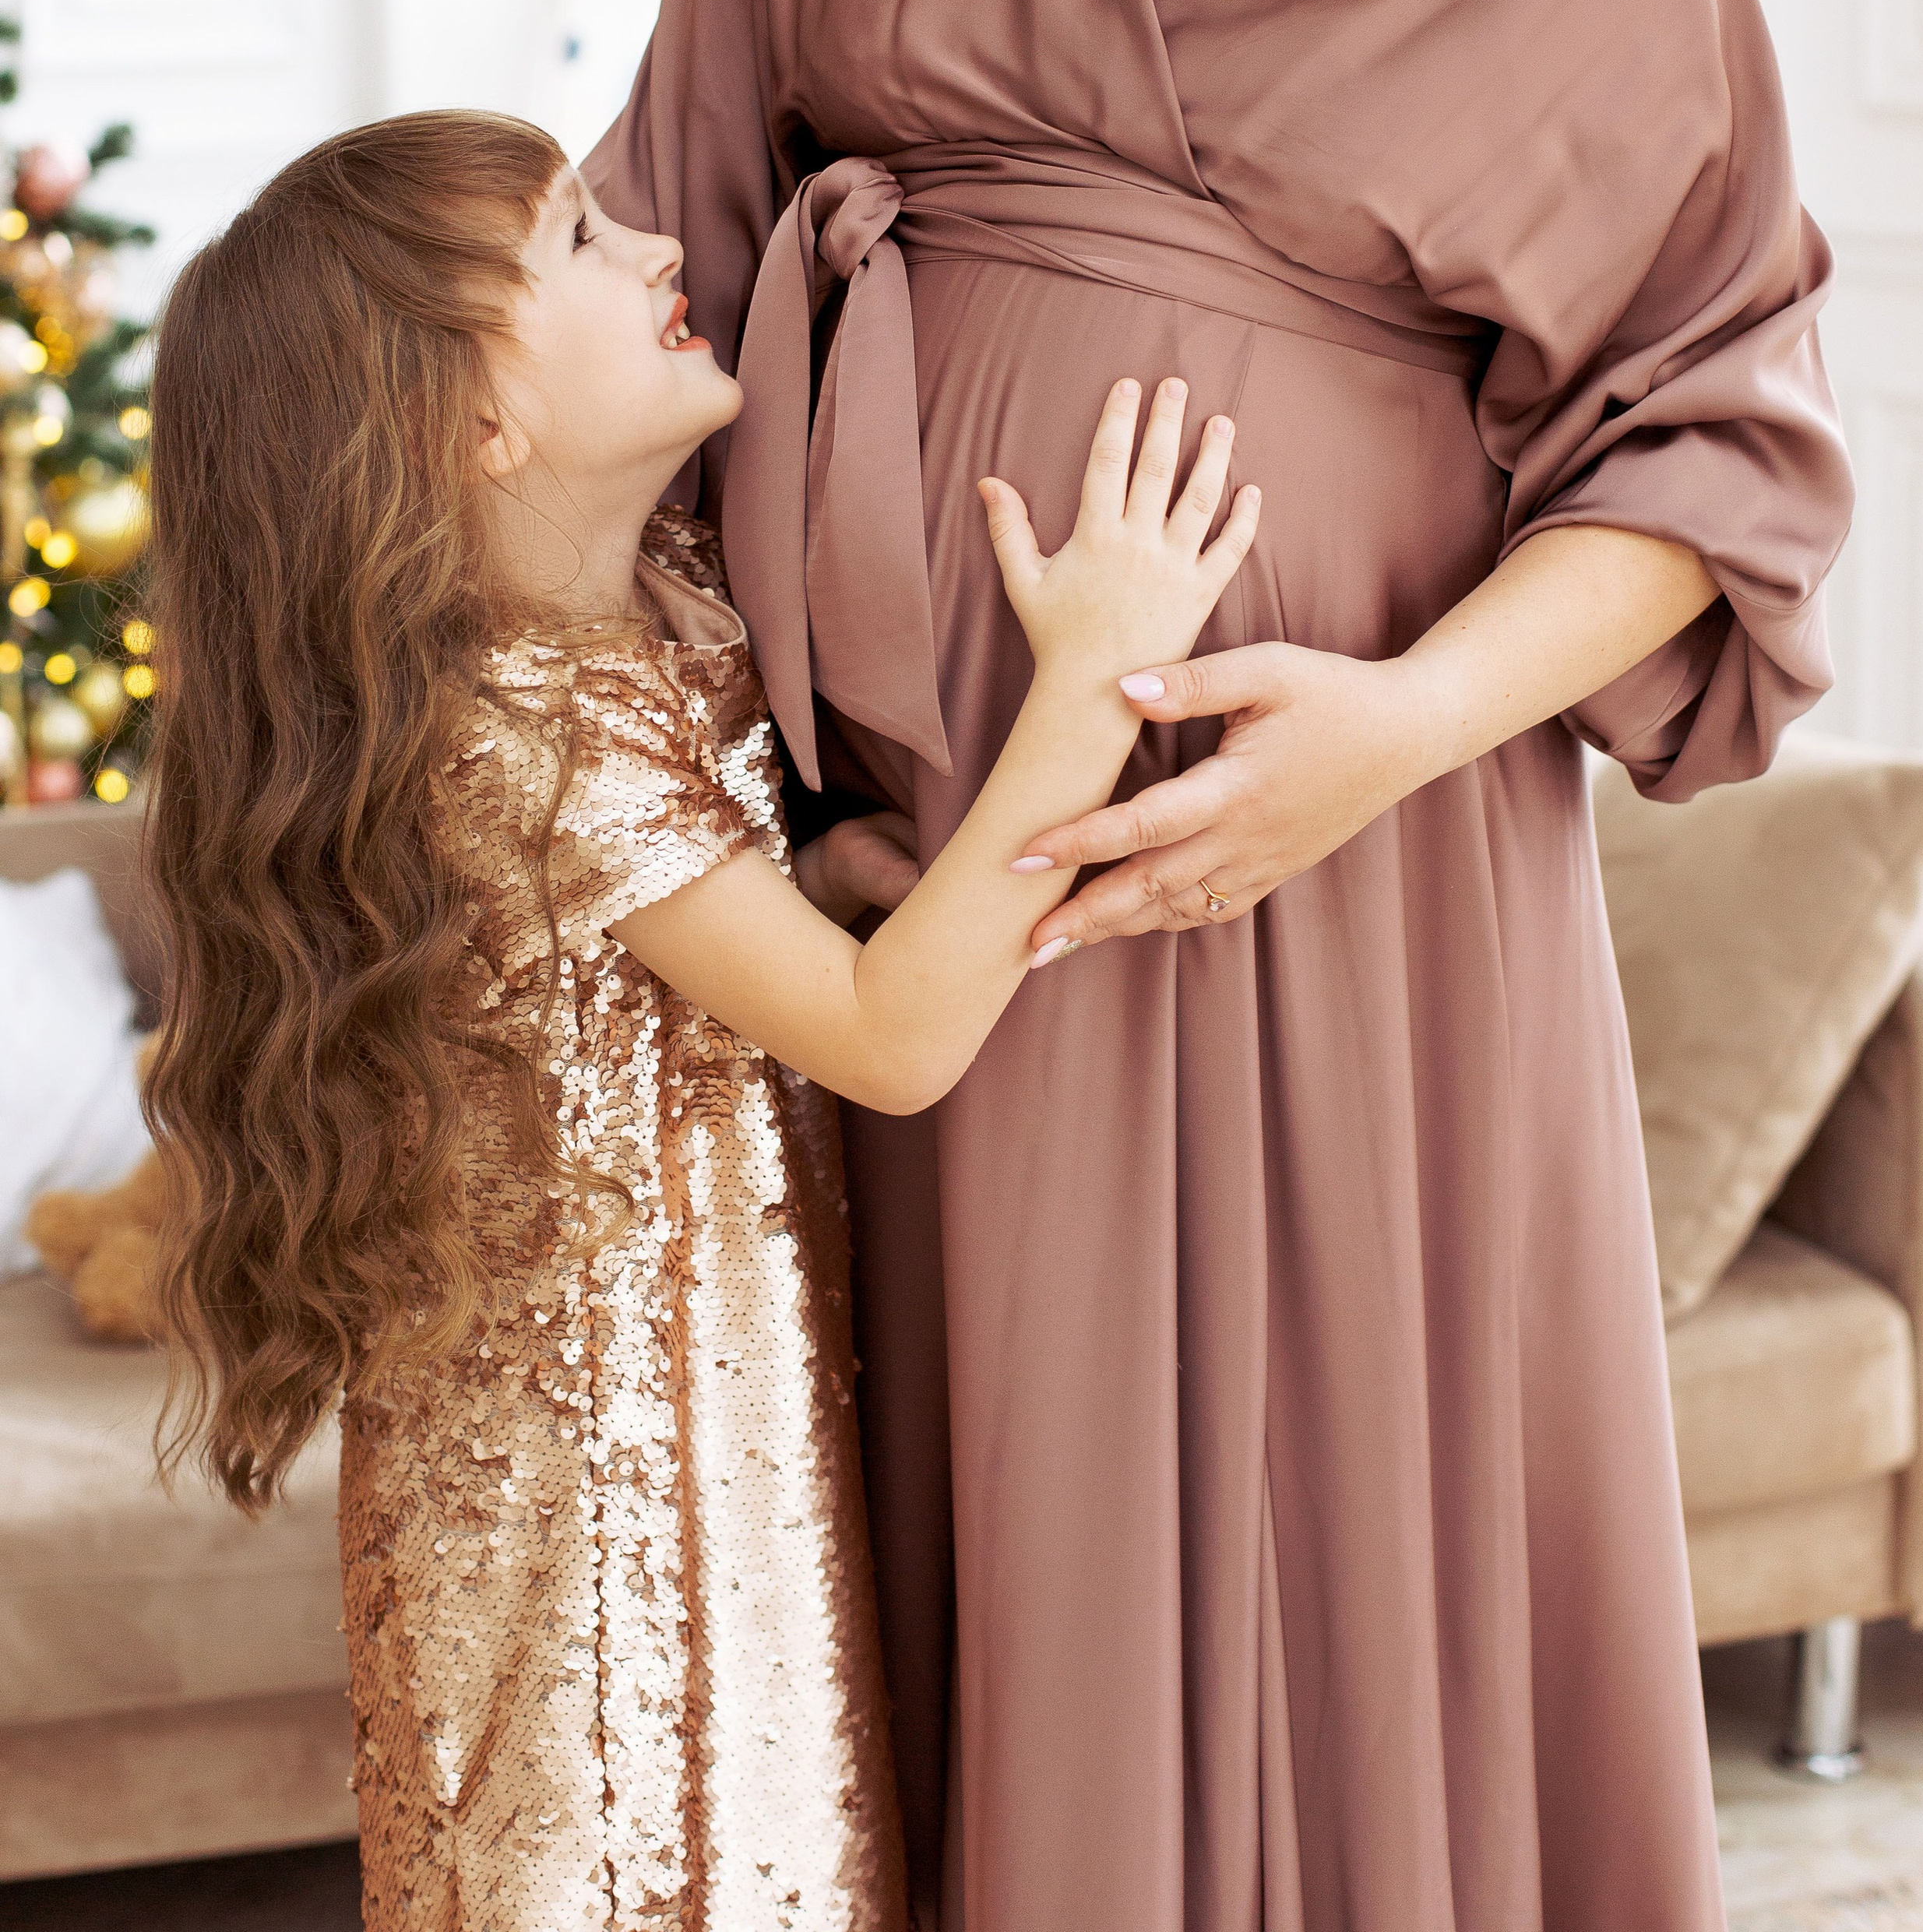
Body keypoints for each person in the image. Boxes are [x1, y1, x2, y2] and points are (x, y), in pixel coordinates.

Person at [586, 0, 1855, 1932]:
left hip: (1363, 901)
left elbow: (1726, 438)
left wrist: (1391, 726)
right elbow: (650, 247)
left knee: (1350, 1612)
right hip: (934, 895)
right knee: (978, 1609)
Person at [139, 108, 1258, 1932]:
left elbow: (710, 967)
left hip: (716, 1446)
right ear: (471, 429)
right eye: (580, 243)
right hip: (601, 1545)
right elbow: (885, 1039)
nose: (659, 251)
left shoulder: (652, 615)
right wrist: (1088, 674)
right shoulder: (506, 739)